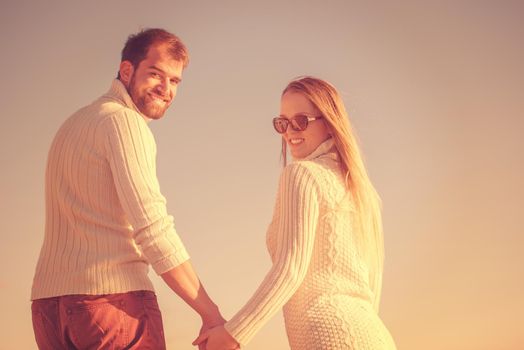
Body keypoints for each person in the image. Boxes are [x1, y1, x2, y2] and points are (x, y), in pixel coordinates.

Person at [31, 28, 225, 350]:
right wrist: (210, 313)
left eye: (175, 81)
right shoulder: (124, 123)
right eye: (155, 74)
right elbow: (153, 228)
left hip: (49, 309)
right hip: (112, 306)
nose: (165, 89)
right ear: (126, 70)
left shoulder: (72, 125)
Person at [194, 77, 397, 349]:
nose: (289, 131)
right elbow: (374, 281)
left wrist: (232, 335)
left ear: (328, 122)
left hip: (330, 337)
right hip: (374, 336)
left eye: (300, 120)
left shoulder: (301, 174)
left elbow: (290, 270)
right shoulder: (362, 189)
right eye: (282, 122)